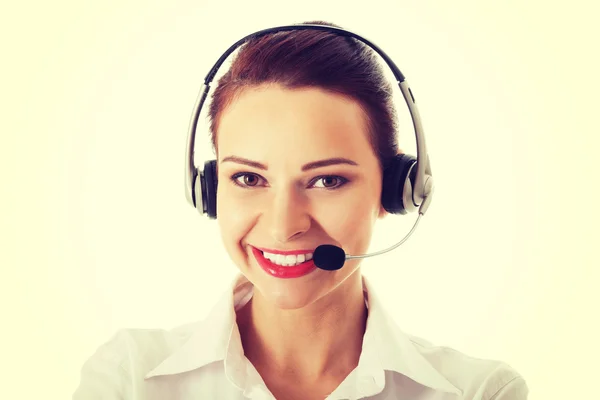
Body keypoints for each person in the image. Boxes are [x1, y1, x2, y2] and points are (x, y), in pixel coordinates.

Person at [73, 21, 529, 399]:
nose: (283, 225)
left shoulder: (480, 392)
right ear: (209, 190)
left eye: (327, 180)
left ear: (395, 191)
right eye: (249, 179)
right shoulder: (128, 378)